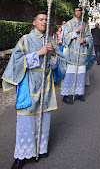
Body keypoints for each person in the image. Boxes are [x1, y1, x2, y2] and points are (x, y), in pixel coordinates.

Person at [2, 10, 67, 169]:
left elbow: (56, 65)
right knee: (26, 120)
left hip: (45, 84)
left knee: (43, 118)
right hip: (29, 83)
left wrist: (52, 53)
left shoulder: (50, 40)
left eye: (46, 19)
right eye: (41, 19)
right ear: (34, 22)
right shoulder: (25, 40)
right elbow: (17, 61)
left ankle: (40, 148)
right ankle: (21, 155)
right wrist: (39, 53)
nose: (44, 22)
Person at [60, 6, 93, 104]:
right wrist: (76, 31)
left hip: (82, 53)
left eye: (79, 11)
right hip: (72, 54)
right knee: (70, 74)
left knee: (81, 74)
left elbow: (90, 38)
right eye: (76, 11)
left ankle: (79, 93)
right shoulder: (69, 24)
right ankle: (66, 95)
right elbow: (64, 38)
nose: (78, 12)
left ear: (82, 12)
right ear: (74, 12)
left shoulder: (85, 25)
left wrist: (85, 40)